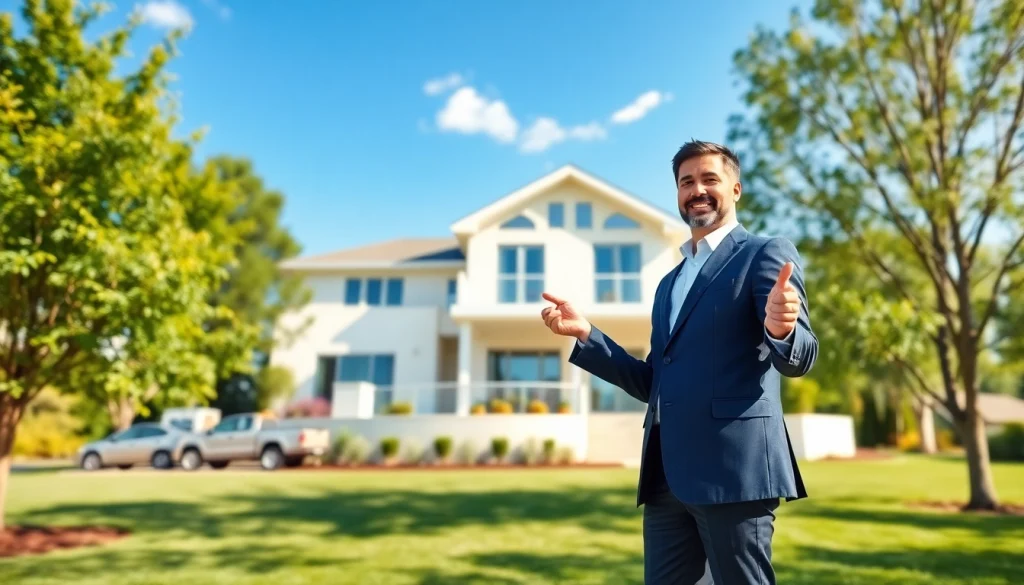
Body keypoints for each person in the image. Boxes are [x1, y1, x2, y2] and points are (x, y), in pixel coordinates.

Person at [540, 140, 817, 584]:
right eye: (687, 182)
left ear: (736, 189)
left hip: (733, 474)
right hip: (666, 477)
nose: (697, 190)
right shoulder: (669, 284)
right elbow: (655, 382)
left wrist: (782, 329)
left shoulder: (764, 253)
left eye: (710, 179)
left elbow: (800, 357)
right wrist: (587, 335)